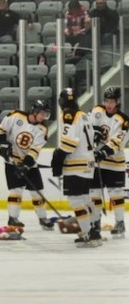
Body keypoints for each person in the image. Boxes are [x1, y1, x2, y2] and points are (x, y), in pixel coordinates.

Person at [52, 88, 101, 247]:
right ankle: (95, 232)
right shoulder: (84, 115)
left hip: (75, 165)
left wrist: (58, 160)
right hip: (89, 164)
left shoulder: (68, 115)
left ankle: (86, 234)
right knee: (85, 199)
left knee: (75, 200)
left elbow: (68, 143)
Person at [0, 100, 54, 229]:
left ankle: (43, 218)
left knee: (37, 191)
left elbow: (34, 150)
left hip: (29, 164)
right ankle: (13, 218)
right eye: (42, 113)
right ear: (35, 111)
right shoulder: (16, 116)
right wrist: (3, 145)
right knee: (16, 190)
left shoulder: (42, 129)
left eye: (46, 114)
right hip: (11, 162)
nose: (44, 117)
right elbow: (1, 130)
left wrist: (26, 165)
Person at [89, 86, 129, 238]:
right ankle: (95, 221)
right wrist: (93, 133)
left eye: (112, 101)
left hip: (114, 162)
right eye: (107, 101)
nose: (109, 104)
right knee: (95, 194)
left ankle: (120, 222)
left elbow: (117, 142)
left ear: (117, 101)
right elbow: (87, 127)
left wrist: (103, 152)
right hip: (98, 163)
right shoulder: (96, 111)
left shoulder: (123, 120)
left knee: (116, 193)